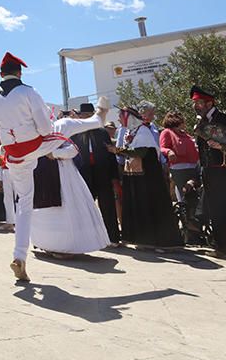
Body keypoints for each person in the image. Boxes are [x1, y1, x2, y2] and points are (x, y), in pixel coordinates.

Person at [0, 52, 62, 282]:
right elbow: (45, 128)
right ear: (20, 72)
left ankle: (20, 256)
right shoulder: (29, 92)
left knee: (23, 203)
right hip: (32, 148)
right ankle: (95, 120)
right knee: (66, 129)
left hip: (11, 155)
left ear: (0, 74)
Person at [31, 106, 112, 257]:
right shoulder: (33, 136)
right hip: (41, 178)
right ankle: (46, 243)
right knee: (44, 211)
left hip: (63, 177)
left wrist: (54, 153)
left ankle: (68, 247)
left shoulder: (58, 131)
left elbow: (73, 150)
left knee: (65, 210)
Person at [118, 107, 182, 250]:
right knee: (140, 205)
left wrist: (117, 150)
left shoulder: (143, 132)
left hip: (148, 177)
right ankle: (143, 239)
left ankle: (159, 240)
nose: (119, 119)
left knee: (151, 205)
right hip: (136, 176)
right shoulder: (131, 132)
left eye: (121, 116)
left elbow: (140, 152)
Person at [191, 86, 226, 259]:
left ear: (209, 103)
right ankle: (224, 248)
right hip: (209, 172)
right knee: (216, 211)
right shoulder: (201, 123)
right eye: (194, 103)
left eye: (199, 102)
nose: (196, 106)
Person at [73, 103, 122, 246]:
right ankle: (86, 238)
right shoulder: (76, 134)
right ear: (80, 117)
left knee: (107, 205)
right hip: (84, 174)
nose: (87, 118)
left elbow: (110, 155)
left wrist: (114, 176)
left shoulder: (102, 132)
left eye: (89, 115)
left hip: (103, 173)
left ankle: (112, 237)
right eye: (84, 116)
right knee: (84, 207)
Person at [159, 111, 200, 203]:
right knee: (185, 194)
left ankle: (190, 214)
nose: (184, 122)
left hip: (194, 166)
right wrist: (169, 151)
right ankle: (185, 213)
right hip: (180, 168)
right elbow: (162, 148)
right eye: (182, 120)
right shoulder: (167, 132)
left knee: (193, 193)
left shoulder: (184, 134)